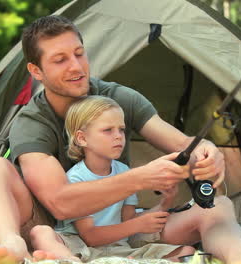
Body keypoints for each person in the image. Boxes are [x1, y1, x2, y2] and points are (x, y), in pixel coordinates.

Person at [0, 15, 241, 264]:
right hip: (53, 228)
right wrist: (142, 177)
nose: (76, 66)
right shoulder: (33, 122)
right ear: (36, 71)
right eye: (60, 60)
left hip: (124, 226)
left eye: (79, 53)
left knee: (219, 206)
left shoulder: (118, 97)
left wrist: (207, 151)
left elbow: (182, 143)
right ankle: (12, 247)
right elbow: (61, 203)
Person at [29, 95, 195, 262]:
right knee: (40, 232)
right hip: (80, 247)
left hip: (118, 248)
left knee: (186, 251)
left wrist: (167, 201)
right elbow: (90, 237)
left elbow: (128, 220)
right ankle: (69, 261)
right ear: (82, 138)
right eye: (108, 130)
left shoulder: (124, 172)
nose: (118, 136)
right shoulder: (76, 177)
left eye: (121, 129)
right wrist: (136, 225)